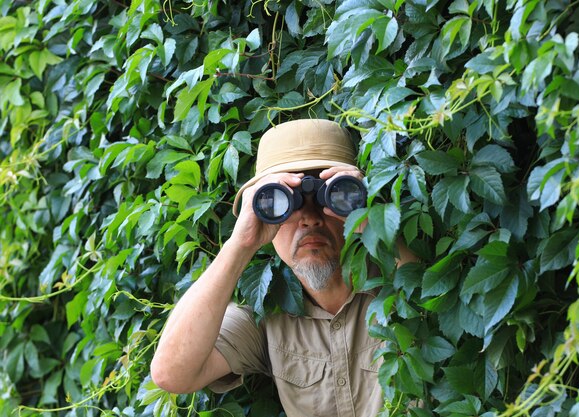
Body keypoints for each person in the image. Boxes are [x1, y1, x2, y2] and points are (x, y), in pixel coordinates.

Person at [151, 119, 414, 417]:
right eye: (283, 201)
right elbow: (171, 373)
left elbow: (436, 305)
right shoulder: (267, 315)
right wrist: (242, 243)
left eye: (335, 195)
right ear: (262, 212)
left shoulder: (396, 285)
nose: (310, 218)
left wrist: (373, 222)